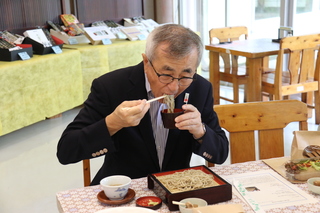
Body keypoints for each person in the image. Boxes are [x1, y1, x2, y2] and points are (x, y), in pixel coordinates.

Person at [57, 24, 229, 185]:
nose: (174, 87)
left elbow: (220, 153)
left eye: (185, 76)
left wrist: (200, 131)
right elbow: (66, 151)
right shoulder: (111, 87)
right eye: (166, 74)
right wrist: (112, 123)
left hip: (175, 187)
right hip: (124, 188)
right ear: (146, 62)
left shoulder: (200, 89)